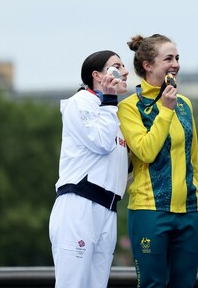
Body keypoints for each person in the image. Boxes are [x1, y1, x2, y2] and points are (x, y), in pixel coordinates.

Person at [117, 34, 198, 287]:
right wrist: (165, 110)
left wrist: (195, 199)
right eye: (168, 58)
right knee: (153, 284)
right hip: (150, 211)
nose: (175, 64)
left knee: (185, 284)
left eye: (177, 58)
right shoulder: (130, 107)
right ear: (148, 65)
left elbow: (193, 159)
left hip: (189, 211)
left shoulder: (185, 104)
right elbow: (145, 151)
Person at [49, 50, 130, 288]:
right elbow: (101, 143)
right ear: (97, 75)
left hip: (108, 209)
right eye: (117, 66)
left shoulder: (112, 110)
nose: (125, 71)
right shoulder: (81, 102)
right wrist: (109, 100)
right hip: (79, 204)